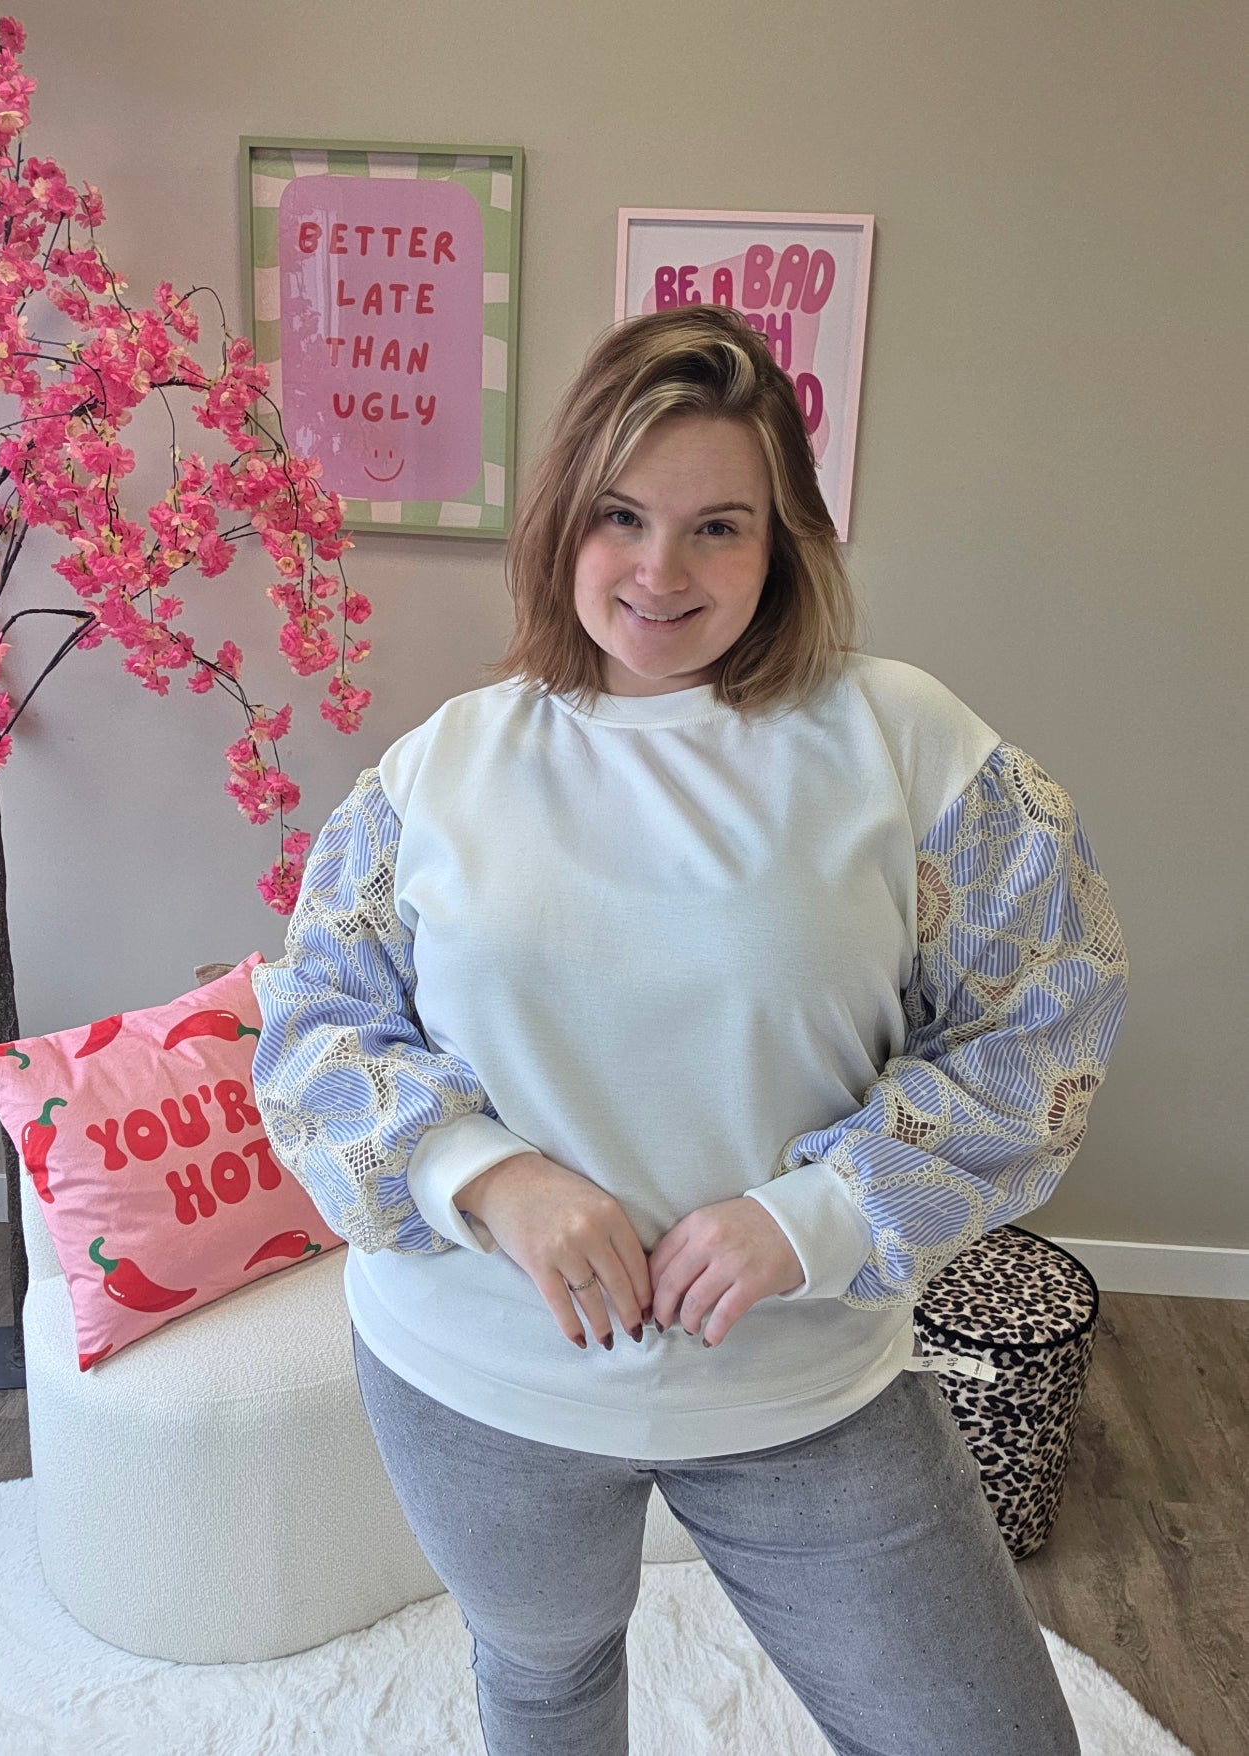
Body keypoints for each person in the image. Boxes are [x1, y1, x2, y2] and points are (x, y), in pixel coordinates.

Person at [251, 303, 1128, 1756]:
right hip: (479, 1378)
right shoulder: (442, 765)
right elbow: (312, 1029)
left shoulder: (906, 745)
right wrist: (487, 1176)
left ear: (784, 543)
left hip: (803, 1383)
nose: (660, 572)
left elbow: (1046, 1026)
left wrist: (820, 1212)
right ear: (562, 523)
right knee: (545, 1683)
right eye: (621, 516)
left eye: (718, 527)